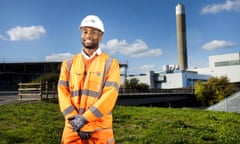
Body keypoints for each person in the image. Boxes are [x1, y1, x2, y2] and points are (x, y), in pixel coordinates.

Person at [58, 15, 120, 144]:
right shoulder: (68, 63)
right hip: (72, 127)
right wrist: (74, 119)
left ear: (101, 36)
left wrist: (85, 119)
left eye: (93, 32)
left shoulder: (111, 63)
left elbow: (110, 95)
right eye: (85, 32)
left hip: (100, 128)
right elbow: (63, 93)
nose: (88, 36)